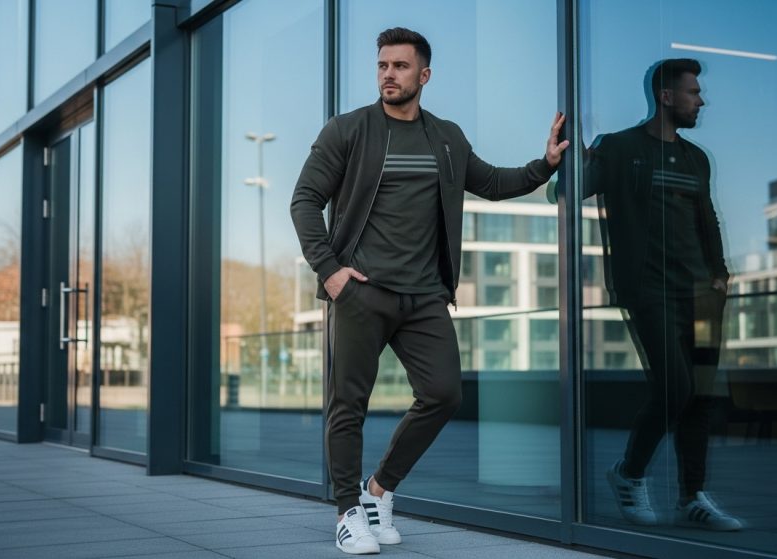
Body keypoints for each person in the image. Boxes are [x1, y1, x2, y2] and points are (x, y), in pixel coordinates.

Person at [291, 27, 569, 555]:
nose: (388, 75)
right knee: (348, 403)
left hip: (423, 297)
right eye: (381, 66)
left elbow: (491, 182)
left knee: (444, 394)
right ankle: (348, 512)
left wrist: (545, 166)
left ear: (424, 75)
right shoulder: (349, 130)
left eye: (399, 66)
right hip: (362, 291)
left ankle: (379, 490)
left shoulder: (446, 138)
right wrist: (330, 271)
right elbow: (304, 200)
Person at [582, 59, 742, 531]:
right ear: (666, 97)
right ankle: (629, 473)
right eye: (693, 92)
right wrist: (569, 159)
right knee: (676, 387)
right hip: (648, 289)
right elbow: (565, 193)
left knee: (701, 398)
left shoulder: (696, 158)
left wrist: (720, 275)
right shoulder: (619, 148)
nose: (701, 100)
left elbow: (707, 219)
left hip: (702, 292)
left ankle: (693, 495)